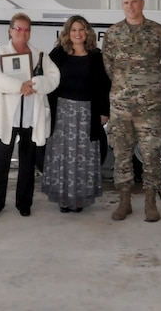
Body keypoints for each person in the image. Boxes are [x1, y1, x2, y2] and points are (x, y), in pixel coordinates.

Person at [102, 0, 161, 222]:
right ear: (122, 5)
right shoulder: (113, 34)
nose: (130, 6)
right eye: (125, 3)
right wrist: (125, 87)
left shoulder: (159, 32)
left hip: (149, 105)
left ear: (142, 3)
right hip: (120, 106)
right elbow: (109, 67)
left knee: (151, 151)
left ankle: (151, 200)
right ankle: (125, 201)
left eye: (134, 2)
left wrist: (149, 83)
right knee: (121, 151)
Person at [0, 13, 60, 217]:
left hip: (31, 116)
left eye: (26, 29)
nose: (22, 32)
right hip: (7, 116)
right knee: (0, 161)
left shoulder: (40, 55)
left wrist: (34, 85)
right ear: (10, 30)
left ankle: (24, 203)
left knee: (28, 163)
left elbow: (54, 78)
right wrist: (19, 86)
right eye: (18, 28)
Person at [42, 16, 111, 213]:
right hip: (62, 112)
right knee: (63, 156)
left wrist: (104, 112)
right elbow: (46, 79)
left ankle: (80, 198)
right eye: (74, 30)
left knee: (83, 157)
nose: (78, 33)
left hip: (87, 113)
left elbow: (104, 86)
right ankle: (64, 198)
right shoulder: (58, 54)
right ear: (67, 33)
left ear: (87, 32)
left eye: (81, 29)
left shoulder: (96, 56)